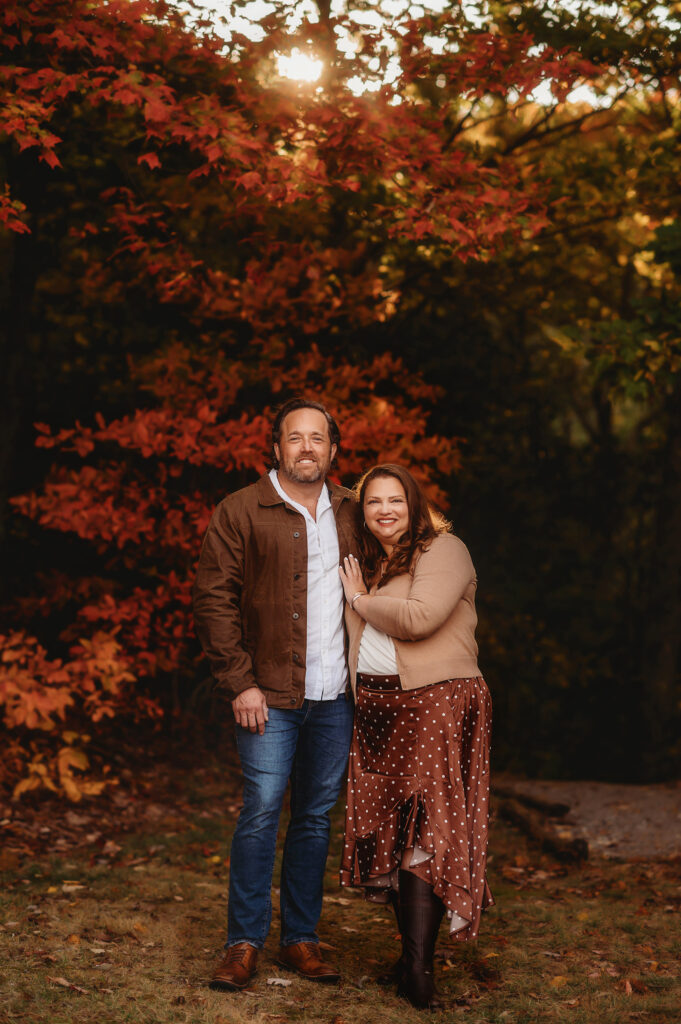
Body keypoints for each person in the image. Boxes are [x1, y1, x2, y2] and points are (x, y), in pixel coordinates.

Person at [193, 398, 356, 992]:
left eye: (318, 438)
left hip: (336, 693)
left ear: (333, 451)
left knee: (314, 818)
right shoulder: (241, 509)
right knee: (261, 813)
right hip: (267, 694)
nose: (307, 447)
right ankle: (243, 943)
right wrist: (240, 681)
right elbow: (214, 600)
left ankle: (301, 940)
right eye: (296, 437)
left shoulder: (353, 510)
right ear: (277, 447)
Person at [338, 464, 493, 1010]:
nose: (384, 509)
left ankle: (421, 973)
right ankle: (410, 957)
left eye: (395, 500)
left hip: (436, 702)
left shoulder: (443, 551)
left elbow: (422, 617)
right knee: (392, 832)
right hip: (378, 710)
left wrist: (358, 600)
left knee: (424, 830)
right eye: (373, 501)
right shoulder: (373, 565)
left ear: (414, 503)